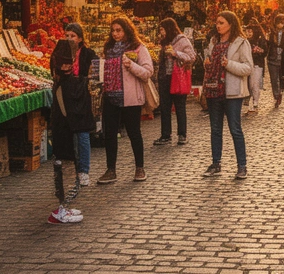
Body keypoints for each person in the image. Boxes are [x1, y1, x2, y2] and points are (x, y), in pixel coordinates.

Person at [48, 28, 96, 223]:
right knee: (65, 168)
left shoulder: (63, 82)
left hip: (64, 132)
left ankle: (64, 206)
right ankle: (60, 211)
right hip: (64, 133)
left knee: (68, 167)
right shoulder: (66, 85)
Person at [97, 18, 153, 184]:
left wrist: (131, 65)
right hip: (110, 96)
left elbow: (148, 72)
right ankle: (111, 169)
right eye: (113, 30)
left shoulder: (138, 48)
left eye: (119, 30)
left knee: (134, 133)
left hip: (130, 98)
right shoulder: (108, 48)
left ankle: (139, 168)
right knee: (110, 135)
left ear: (127, 30)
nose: (115, 34)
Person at [202, 10, 254, 180]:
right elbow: (210, 62)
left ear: (231, 24)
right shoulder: (213, 42)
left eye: (221, 23)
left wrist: (229, 64)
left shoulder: (241, 43)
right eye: (217, 22)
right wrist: (207, 63)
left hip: (232, 92)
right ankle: (216, 163)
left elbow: (248, 68)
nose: (218, 26)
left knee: (235, 129)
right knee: (215, 129)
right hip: (213, 89)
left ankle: (242, 166)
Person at [153, 18, 195, 146]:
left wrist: (176, 53)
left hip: (177, 78)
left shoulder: (182, 40)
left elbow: (191, 56)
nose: (161, 32)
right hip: (165, 78)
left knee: (179, 107)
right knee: (165, 107)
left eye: (162, 29)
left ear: (169, 28)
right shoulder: (164, 42)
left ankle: (182, 134)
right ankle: (166, 135)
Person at [268, 15, 284, 108]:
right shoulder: (272, 33)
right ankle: (277, 96)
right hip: (272, 58)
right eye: (278, 22)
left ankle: (280, 92)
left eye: (282, 22)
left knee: (281, 78)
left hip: (283, 59)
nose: (280, 24)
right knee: (274, 79)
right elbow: (269, 44)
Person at [246, 21, 268, 115]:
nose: (248, 34)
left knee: (254, 84)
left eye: (250, 31)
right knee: (249, 84)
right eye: (247, 31)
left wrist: (259, 51)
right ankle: (249, 99)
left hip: (257, 64)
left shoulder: (260, 40)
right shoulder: (244, 41)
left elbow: (265, 52)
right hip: (246, 65)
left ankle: (255, 102)